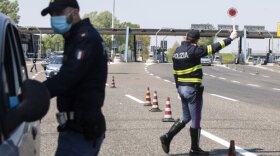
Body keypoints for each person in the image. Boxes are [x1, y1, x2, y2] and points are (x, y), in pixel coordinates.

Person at [41, 0, 108, 155]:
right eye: (52, 15)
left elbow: (67, 78)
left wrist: (32, 93)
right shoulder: (75, 37)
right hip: (75, 128)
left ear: (75, 12)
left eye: (58, 13)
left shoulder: (85, 38)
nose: (54, 18)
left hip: (81, 131)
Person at [160, 29, 238, 155]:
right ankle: (194, 149)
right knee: (196, 119)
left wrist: (178, 89)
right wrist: (231, 39)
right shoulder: (195, 50)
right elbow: (214, 47)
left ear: (186, 37)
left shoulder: (177, 51)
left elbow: (175, 73)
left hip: (181, 88)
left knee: (186, 117)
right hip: (192, 90)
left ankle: (167, 137)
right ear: (196, 40)